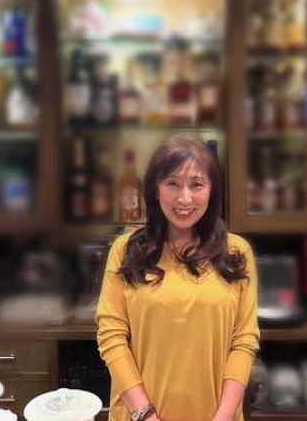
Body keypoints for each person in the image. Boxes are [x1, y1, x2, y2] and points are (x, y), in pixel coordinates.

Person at [96, 136, 260, 421]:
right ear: (155, 189)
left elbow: (244, 341)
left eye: (197, 184)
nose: (184, 198)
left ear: (212, 191)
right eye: (172, 183)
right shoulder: (125, 250)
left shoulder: (236, 252)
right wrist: (145, 415)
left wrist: (222, 418)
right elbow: (111, 335)